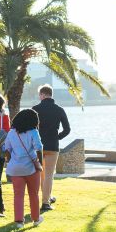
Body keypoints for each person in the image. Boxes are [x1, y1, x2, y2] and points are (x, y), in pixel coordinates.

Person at [3, 108, 44, 229]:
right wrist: (39, 164)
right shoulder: (33, 132)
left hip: (16, 168)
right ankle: (36, 219)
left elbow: (7, 149)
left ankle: (19, 221)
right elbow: (38, 149)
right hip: (31, 167)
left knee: (18, 195)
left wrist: (11, 160)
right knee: (34, 194)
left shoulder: (11, 132)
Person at [32, 84, 70, 212]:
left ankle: (45, 198)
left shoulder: (35, 109)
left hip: (38, 147)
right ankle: (46, 202)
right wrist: (57, 137)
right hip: (53, 146)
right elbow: (67, 129)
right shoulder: (59, 109)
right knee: (49, 175)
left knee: (41, 175)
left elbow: (30, 128)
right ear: (51, 94)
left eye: (39, 95)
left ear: (42, 95)